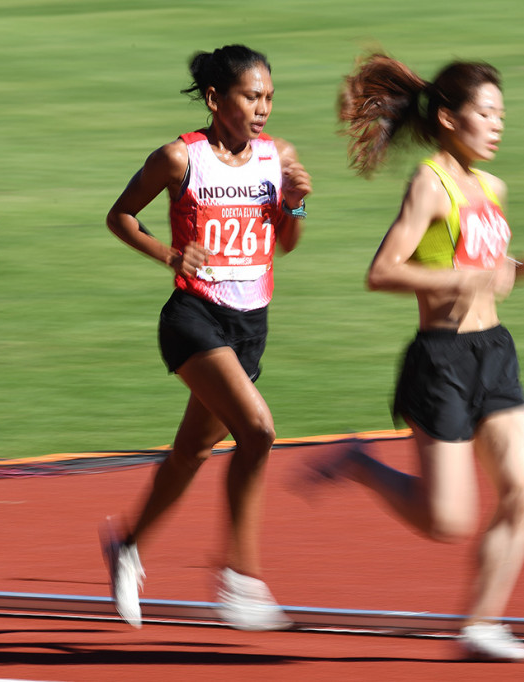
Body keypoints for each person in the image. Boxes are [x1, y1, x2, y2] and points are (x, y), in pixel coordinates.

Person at [317, 53, 524, 661]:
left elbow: (482, 266)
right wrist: (461, 280)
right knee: (446, 522)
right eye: (486, 113)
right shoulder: (430, 183)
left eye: (502, 113)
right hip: (442, 362)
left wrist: (520, 269)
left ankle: (481, 624)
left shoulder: (492, 187)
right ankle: (359, 463)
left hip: (494, 353)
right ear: (451, 119)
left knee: (521, 488)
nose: (498, 124)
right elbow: (382, 273)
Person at [101, 44, 311, 631]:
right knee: (259, 431)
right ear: (217, 100)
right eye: (252, 96)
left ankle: (127, 546)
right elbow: (119, 216)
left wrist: (293, 208)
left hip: (250, 328)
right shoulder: (178, 158)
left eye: (269, 96)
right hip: (194, 318)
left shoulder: (278, 158)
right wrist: (170, 253)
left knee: (191, 453)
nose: (263, 108)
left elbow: (285, 245)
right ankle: (240, 579)